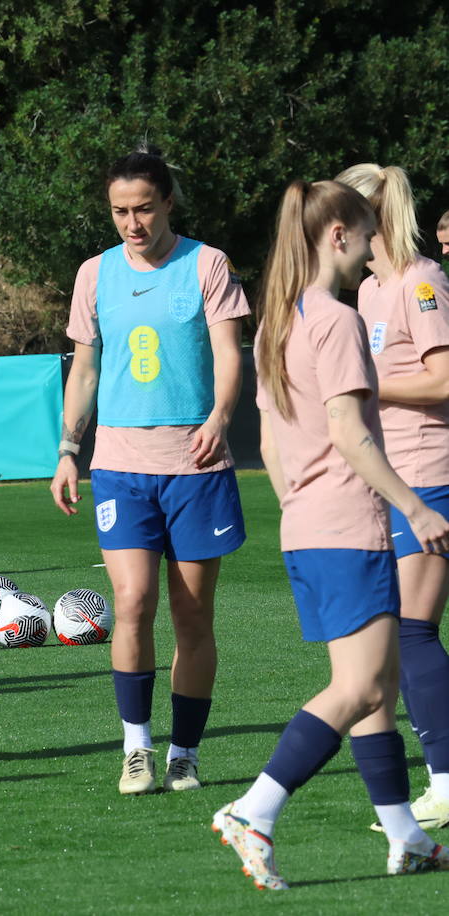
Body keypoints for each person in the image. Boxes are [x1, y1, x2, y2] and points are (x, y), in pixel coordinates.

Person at [215, 179, 449, 888]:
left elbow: (273, 445)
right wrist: (414, 508)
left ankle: (406, 835)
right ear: (338, 235)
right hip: (350, 526)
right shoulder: (337, 319)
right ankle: (253, 811)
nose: (375, 247)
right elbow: (350, 432)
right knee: (357, 688)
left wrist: (302, 508)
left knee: (377, 684)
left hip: (307, 527)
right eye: (369, 233)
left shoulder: (276, 323)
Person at [51, 146, 248, 795]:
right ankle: (136, 749)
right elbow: (85, 369)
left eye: (142, 209)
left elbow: (229, 353)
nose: (132, 223)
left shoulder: (207, 264)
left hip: (196, 466)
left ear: (167, 202)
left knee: (191, 618)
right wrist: (68, 449)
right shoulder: (94, 274)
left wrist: (221, 417)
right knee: (133, 602)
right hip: (121, 467)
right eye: (119, 212)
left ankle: (184, 754)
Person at [338, 163, 449, 831]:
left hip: (431, 476)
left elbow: (443, 381)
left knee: (412, 630)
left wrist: (368, 384)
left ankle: (445, 782)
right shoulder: (369, 289)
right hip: (391, 479)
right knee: (393, 635)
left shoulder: (421, 282)